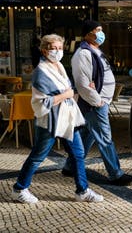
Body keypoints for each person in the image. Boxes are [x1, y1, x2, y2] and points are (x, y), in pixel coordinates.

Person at [11, 34, 104, 204]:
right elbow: (41, 102)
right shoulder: (40, 73)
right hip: (49, 121)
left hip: (67, 118)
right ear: (44, 50)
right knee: (38, 156)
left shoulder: (59, 66)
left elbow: (67, 89)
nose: (57, 51)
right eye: (54, 48)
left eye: (60, 48)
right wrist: (66, 94)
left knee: (78, 154)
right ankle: (19, 189)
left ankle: (82, 191)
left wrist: (74, 91)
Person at [62, 20, 132, 186]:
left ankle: (69, 166)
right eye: (97, 30)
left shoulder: (95, 50)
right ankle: (116, 174)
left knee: (89, 135)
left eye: (101, 30)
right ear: (88, 34)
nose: (101, 33)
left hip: (101, 102)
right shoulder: (82, 54)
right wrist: (98, 101)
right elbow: (82, 84)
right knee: (105, 137)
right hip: (94, 104)